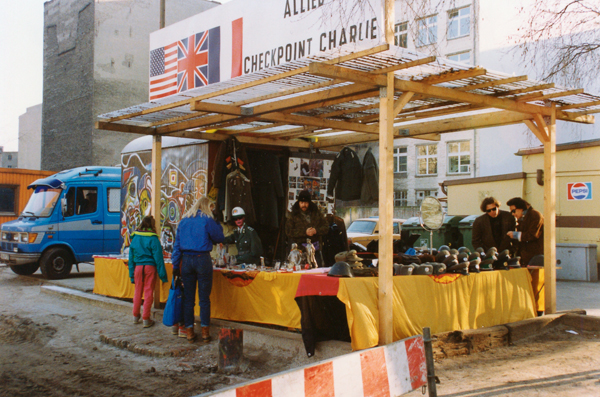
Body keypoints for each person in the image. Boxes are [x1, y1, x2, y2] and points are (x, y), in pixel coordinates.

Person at [172, 196, 224, 343]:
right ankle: (205, 332)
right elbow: (219, 237)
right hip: (202, 259)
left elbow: (177, 246)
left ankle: (189, 332)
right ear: (208, 207)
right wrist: (217, 222)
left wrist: (176, 266)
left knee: (188, 299)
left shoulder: (184, 220)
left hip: (186, 260)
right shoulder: (207, 220)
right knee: (204, 299)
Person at [506, 197, 544, 315]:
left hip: (535, 256)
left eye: (514, 211)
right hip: (526, 256)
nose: (513, 214)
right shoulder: (523, 218)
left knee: (535, 285)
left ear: (521, 208)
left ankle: (538, 310)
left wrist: (516, 235)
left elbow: (532, 235)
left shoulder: (535, 215)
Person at [128, 215, 168, 328]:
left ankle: (135, 316)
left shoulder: (135, 238)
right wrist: (163, 276)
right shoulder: (154, 239)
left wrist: (131, 275)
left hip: (138, 268)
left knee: (137, 291)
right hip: (150, 268)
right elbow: (159, 259)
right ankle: (146, 318)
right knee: (148, 291)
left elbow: (131, 259)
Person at [285, 190, 328, 267]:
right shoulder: (293, 215)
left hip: (315, 250)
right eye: (301, 202)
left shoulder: (316, 213)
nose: (303, 205)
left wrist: (316, 231)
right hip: (299, 251)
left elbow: (326, 227)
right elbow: (288, 231)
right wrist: (304, 232)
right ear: (298, 202)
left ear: (309, 203)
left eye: (306, 203)